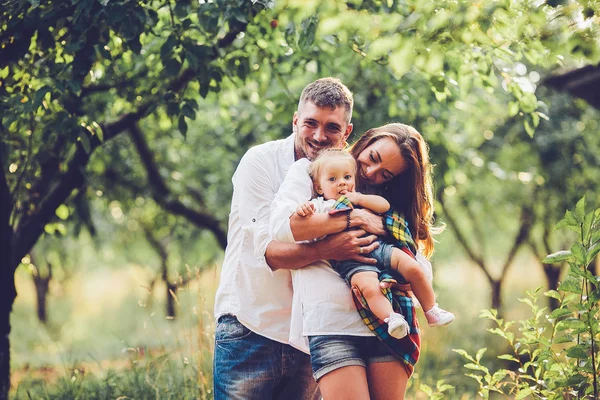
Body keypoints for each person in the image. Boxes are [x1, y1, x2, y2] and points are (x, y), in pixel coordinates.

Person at [213, 77, 385, 400]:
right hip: (251, 328)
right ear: (295, 121)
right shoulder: (260, 163)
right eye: (310, 123)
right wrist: (335, 244)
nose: (319, 136)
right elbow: (273, 255)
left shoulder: (348, 176)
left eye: (332, 128)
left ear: (347, 133)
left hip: (312, 334)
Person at [270, 123, 442, 399]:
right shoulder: (319, 169)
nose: (371, 172)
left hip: (390, 324)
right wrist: (350, 221)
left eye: (385, 173)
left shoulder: (384, 203)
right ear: (367, 140)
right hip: (332, 324)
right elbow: (282, 227)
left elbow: (420, 267)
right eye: (372, 158)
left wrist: (387, 238)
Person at [295, 148, 454, 339]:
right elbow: (304, 222)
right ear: (319, 187)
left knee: (413, 267)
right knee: (369, 290)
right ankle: (391, 319)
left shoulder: (360, 198)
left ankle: (431, 310)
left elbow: (384, 206)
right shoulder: (320, 205)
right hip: (353, 262)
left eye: (347, 177)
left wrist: (359, 198)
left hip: (381, 247)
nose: (342, 183)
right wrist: (303, 209)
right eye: (332, 180)